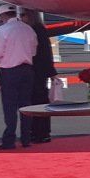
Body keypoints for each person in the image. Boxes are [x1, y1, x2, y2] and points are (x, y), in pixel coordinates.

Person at [0, 5, 39, 150]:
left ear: (4, 16)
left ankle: (9, 140)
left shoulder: (3, 30)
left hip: (10, 71)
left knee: (9, 107)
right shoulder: (28, 29)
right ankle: (26, 139)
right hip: (27, 69)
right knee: (26, 105)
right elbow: (34, 51)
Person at [22, 11, 57, 144]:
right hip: (39, 70)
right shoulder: (37, 29)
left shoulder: (36, 30)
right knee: (37, 101)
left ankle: (41, 132)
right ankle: (39, 131)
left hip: (38, 71)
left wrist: (50, 70)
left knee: (39, 101)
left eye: (24, 15)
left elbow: (45, 52)